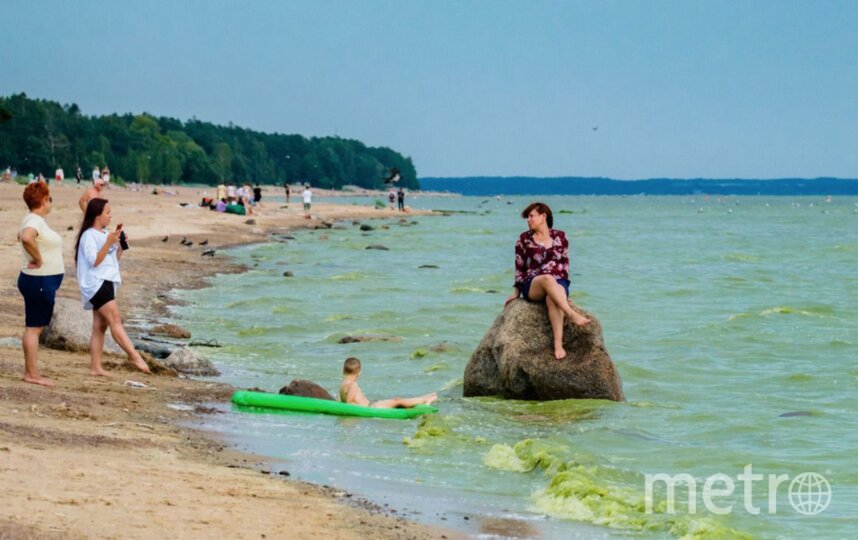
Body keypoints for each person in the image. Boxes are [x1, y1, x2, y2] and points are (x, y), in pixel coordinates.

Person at [505, 202, 590, 361]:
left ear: (543, 216)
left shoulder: (561, 237)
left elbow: (565, 265)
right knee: (547, 278)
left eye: (531, 216)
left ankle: (558, 344)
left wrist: (561, 293)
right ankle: (570, 313)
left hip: (558, 282)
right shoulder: (524, 239)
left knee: (553, 299)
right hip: (533, 284)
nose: (528, 220)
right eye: (527, 217)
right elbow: (519, 267)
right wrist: (516, 291)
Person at [74, 199, 150, 376]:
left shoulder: (105, 234)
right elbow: (94, 261)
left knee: (100, 326)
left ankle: (95, 367)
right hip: (96, 283)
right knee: (115, 320)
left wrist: (120, 247)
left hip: (106, 281)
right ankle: (135, 356)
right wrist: (108, 243)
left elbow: (110, 262)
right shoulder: (88, 235)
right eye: (107, 213)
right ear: (97, 215)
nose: (110, 216)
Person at [17, 183, 64, 386]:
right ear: (44, 200)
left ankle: (31, 371)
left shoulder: (32, 219)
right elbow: (26, 237)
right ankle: (31, 374)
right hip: (39, 280)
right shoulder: (34, 220)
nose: (50, 202)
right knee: (34, 328)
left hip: (38, 280)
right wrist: (37, 258)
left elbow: (22, 236)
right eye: (50, 198)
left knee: (33, 327)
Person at [339, 357, 436, 408]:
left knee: (396, 401)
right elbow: (349, 404)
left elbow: (344, 402)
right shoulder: (352, 385)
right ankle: (425, 399)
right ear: (358, 373)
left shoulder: (342, 385)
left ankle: (423, 401)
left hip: (372, 406)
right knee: (397, 401)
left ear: (343, 370)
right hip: (372, 408)